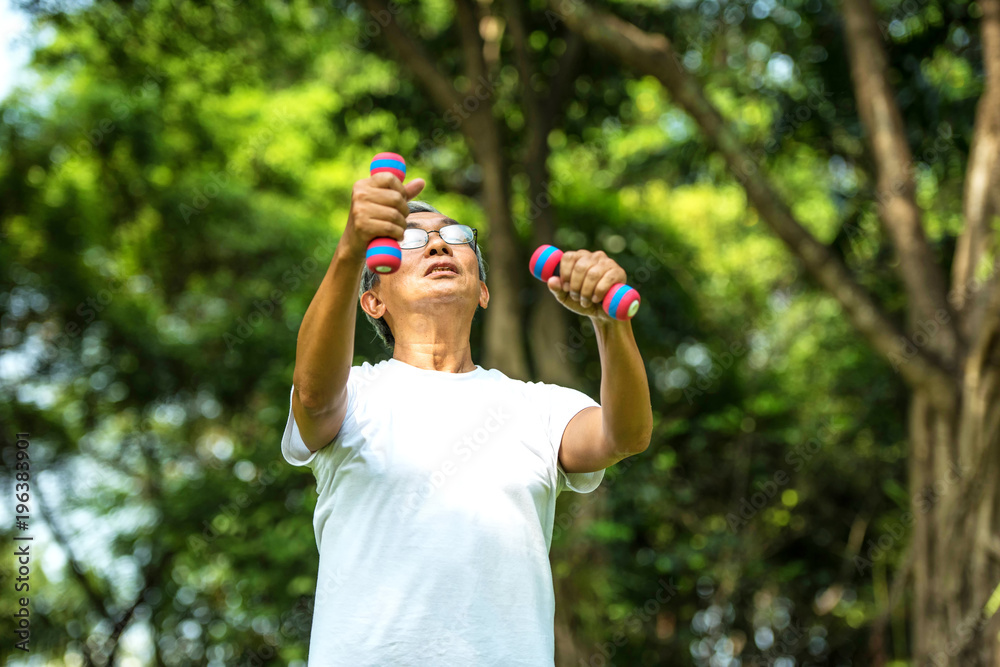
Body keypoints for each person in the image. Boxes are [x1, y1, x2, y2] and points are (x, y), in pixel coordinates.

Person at [280, 169, 653, 666]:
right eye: (412, 240)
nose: (438, 247)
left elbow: (625, 435)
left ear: (482, 291)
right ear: (372, 301)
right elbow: (311, 396)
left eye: (456, 238)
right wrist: (351, 248)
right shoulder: (357, 395)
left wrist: (610, 326)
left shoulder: (538, 407)